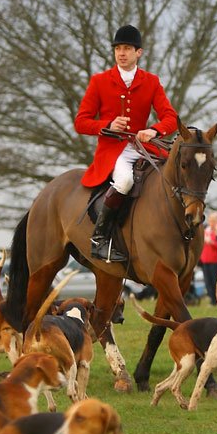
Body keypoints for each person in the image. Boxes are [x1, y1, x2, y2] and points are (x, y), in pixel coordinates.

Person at [74, 24, 179, 262]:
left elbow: (171, 118)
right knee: (125, 180)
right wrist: (108, 125)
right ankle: (100, 239)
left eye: (127, 49)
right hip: (113, 150)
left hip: (144, 148)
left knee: (171, 177)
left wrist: (153, 130)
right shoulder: (99, 81)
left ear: (138, 52)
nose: (121, 53)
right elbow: (81, 122)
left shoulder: (151, 81)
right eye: (118, 49)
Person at [199, 211, 217, 305]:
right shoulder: (206, 231)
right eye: (210, 220)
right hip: (205, 260)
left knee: (215, 282)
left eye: (213, 220)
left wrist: (212, 243)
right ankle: (212, 300)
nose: (211, 222)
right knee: (208, 282)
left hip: (215, 260)